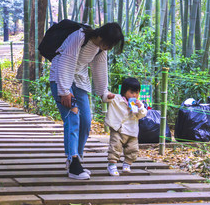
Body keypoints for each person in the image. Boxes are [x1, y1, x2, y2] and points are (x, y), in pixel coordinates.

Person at [49, 22, 124, 180]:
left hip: (80, 82)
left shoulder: (100, 49)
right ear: (101, 36)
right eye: (109, 43)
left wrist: (104, 93)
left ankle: (77, 158)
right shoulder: (80, 36)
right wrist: (64, 91)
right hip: (61, 79)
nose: (109, 48)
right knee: (72, 117)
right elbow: (66, 62)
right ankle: (73, 162)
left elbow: (100, 69)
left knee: (86, 120)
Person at [102, 77, 147, 176]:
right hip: (118, 128)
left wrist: (140, 107)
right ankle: (112, 165)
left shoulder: (138, 103)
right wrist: (108, 96)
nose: (134, 95)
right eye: (132, 92)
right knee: (115, 147)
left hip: (132, 131)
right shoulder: (116, 99)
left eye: (137, 93)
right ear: (124, 91)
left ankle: (127, 164)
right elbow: (105, 97)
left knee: (133, 149)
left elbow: (142, 115)